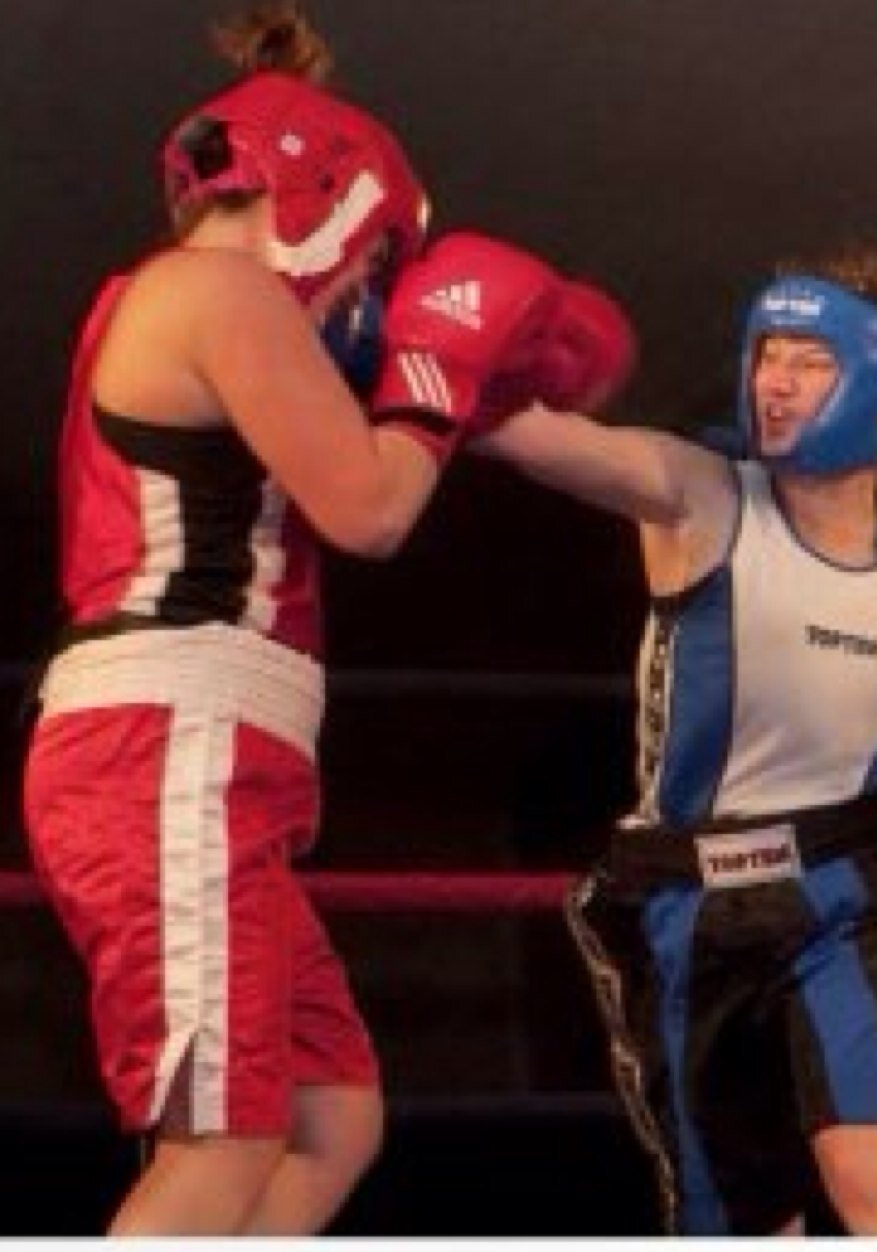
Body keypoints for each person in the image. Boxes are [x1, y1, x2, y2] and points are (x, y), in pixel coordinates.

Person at [20, 2, 580, 1234]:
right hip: (168, 743)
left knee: (332, 1111)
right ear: (332, 197)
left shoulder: (205, 306)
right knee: (222, 1142)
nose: (368, 292)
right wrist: (438, 369)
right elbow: (374, 506)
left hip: (205, 756)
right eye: (378, 260)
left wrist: (481, 389)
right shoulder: (223, 295)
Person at [462, 248, 877, 1234]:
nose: (773, 378)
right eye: (768, 352)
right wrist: (438, 351)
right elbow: (534, 441)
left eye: (808, 358)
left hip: (859, 888)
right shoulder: (702, 493)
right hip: (686, 898)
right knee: (734, 1221)